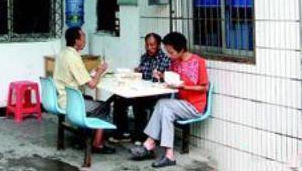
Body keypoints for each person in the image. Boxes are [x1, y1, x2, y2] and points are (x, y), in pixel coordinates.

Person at [130, 32, 209, 168]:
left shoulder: (198, 62)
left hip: (194, 106)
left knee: (163, 105)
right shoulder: (175, 62)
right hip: (179, 104)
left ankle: (149, 144)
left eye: (171, 52)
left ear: (181, 49)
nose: (170, 56)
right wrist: (161, 76)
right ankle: (168, 155)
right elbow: (171, 79)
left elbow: (204, 87)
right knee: (165, 109)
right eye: (168, 52)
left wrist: (184, 87)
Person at [54, 26, 116, 154]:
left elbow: (77, 75)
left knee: (90, 99)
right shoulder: (73, 57)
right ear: (77, 40)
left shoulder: (63, 53)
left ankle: (82, 136)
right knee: (104, 106)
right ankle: (97, 143)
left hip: (62, 97)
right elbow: (92, 85)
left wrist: (93, 73)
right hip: (70, 102)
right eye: (83, 37)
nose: (85, 40)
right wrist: (100, 71)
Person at [112, 32, 171, 142]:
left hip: (157, 94)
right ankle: (122, 132)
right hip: (143, 91)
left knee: (138, 102)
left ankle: (140, 136)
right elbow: (143, 76)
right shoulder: (144, 57)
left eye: (152, 45)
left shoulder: (165, 59)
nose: (149, 48)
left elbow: (164, 79)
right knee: (119, 98)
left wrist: (160, 76)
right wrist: (137, 72)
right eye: (147, 45)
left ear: (158, 45)